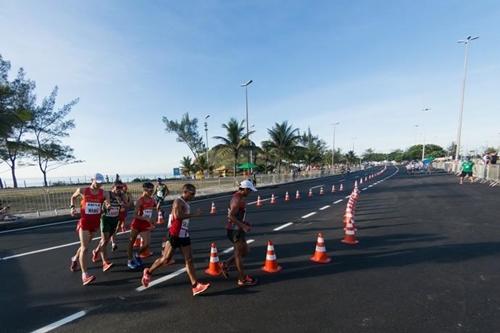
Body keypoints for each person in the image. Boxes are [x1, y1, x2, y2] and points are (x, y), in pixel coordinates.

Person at [141, 184, 210, 296]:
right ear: (185, 192)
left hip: (184, 234)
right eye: (192, 193)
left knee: (189, 260)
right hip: (175, 233)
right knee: (165, 259)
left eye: (194, 193)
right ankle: (148, 272)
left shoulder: (186, 202)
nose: (194, 195)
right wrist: (194, 215)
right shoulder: (178, 201)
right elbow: (177, 216)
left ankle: (195, 286)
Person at [69, 173, 110, 285]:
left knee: (84, 245)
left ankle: (74, 258)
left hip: (95, 223)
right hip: (84, 222)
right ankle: (85, 275)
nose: (99, 185)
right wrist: (72, 208)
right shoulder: (83, 190)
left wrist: (108, 205)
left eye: (101, 183)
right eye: (97, 182)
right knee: (85, 248)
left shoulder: (104, 192)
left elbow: (107, 202)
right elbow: (73, 197)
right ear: (92, 180)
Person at [220, 179, 258, 287]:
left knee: (245, 251)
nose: (250, 193)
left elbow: (236, 215)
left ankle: (226, 264)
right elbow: (230, 216)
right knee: (238, 255)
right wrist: (243, 226)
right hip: (235, 230)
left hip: (237, 228)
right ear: (245, 189)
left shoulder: (239, 197)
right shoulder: (237, 199)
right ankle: (242, 279)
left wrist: (243, 222)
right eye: (249, 190)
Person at [91, 181, 127, 271]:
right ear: (113, 187)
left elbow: (126, 207)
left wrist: (121, 203)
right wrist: (105, 206)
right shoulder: (107, 194)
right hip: (105, 219)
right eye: (118, 187)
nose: (120, 189)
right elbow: (99, 202)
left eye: (121, 188)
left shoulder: (123, 196)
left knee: (106, 240)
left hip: (114, 220)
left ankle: (96, 251)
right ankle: (105, 262)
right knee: (104, 240)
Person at [127, 182, 156, 270]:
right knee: (131, 242)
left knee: (146, 244)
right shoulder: (140, 200)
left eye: (153, 190)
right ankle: (130, 260)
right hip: (137, 223)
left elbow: (152, 211)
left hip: (145, 224)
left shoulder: (152, 200)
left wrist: (152, 221)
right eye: (150, 190)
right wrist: (146, 218)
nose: (152, 192)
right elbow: (134, 215)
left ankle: (137, 255)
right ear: (145, 190)